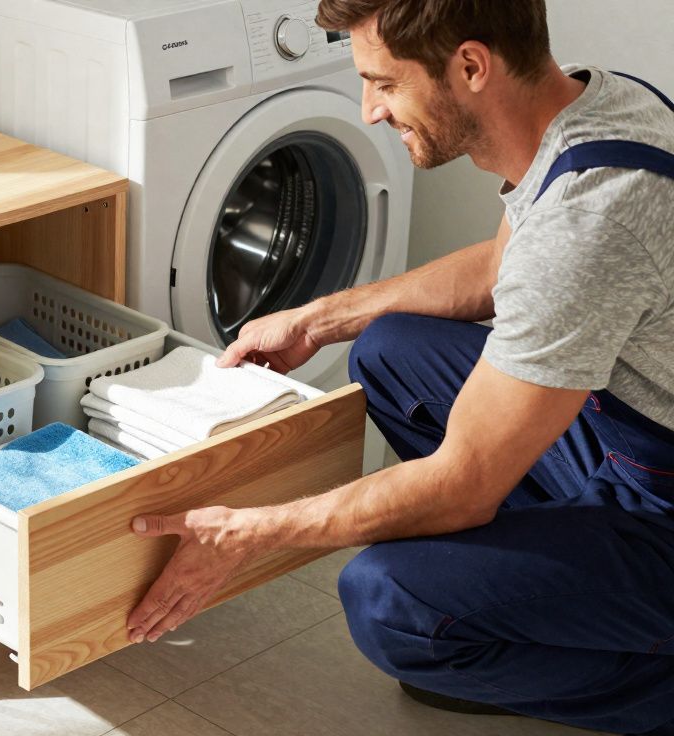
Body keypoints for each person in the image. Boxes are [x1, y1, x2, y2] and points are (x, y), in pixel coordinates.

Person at [124, 1, 674, 732]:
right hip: (629, 438)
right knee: (390, 349)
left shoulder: (589, 222)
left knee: (390, 601)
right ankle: (541, 595)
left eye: (384, 83)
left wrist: (251, 531)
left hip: (662, 505)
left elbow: (462, 489)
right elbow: (502, 267)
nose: (371, 111)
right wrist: (318, 318)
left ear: (471, 66)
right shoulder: (594, 105)